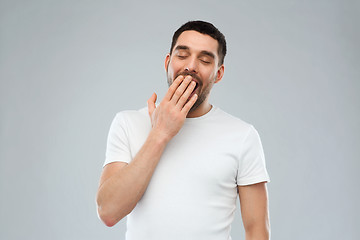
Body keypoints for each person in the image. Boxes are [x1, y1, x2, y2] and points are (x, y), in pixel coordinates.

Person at [96, 20, 270, 240]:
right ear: (168, 62)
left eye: (205, 60)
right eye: (182, 55)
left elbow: (257, 230)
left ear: (218, 73)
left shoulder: (243, 136)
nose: (191, 66)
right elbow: (108, 212)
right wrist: (160, 133)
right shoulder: (128, 123)